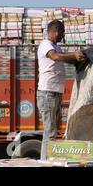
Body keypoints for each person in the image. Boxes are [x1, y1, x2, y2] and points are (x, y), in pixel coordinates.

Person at [36, 19, 88, 160]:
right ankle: (45, 162)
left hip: (55, 94)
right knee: (50, 131)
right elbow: (56, 57)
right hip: (47, 94)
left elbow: (65, 58)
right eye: (62, 33)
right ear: (57, 30)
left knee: (53, 130)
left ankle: (48, 159)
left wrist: (79, 57)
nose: (63, 36)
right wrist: (73, 55)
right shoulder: (46, 45)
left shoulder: (56, 47)